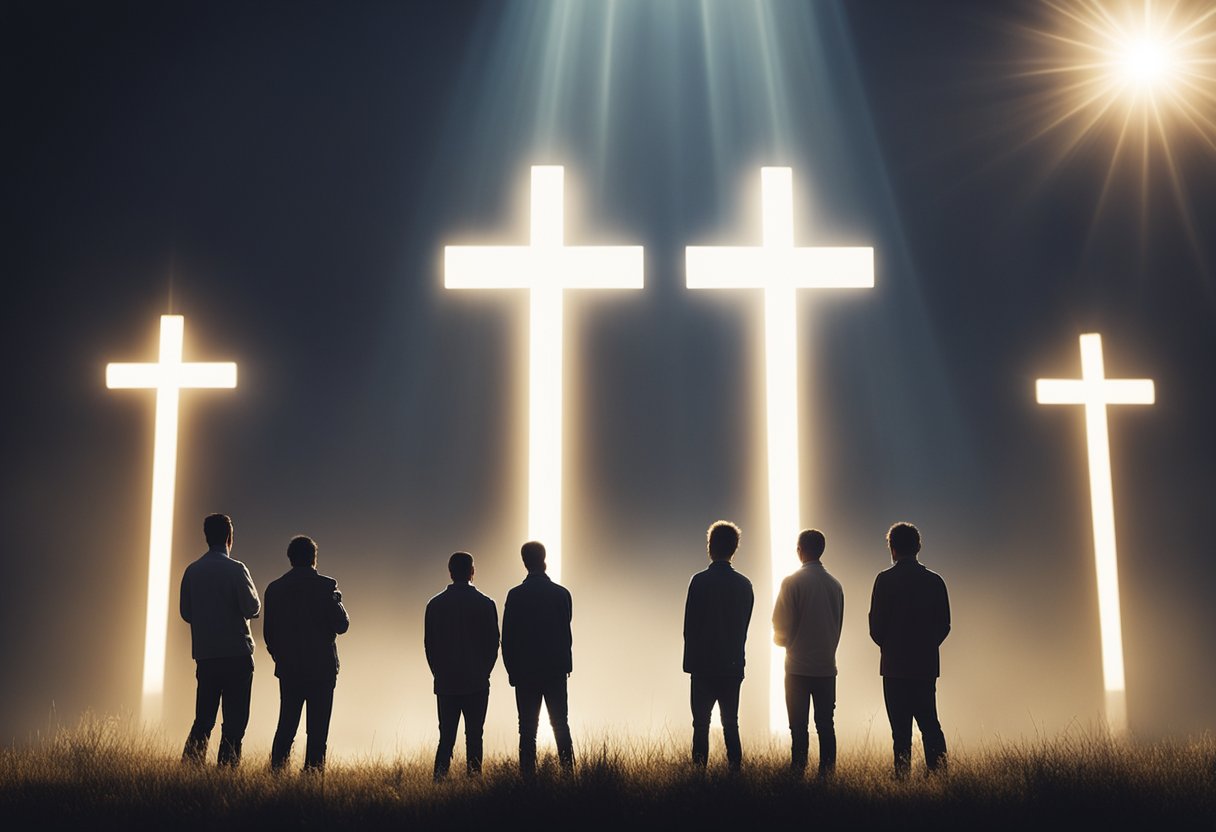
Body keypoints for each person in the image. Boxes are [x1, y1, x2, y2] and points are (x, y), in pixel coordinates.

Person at [868, 522, 951, 777]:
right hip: (925, 666)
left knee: (900, 731)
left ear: (892, 548)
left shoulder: (884, 580)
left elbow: (875, 626)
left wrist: (891, 646)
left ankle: (902, 777)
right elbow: (944, 624)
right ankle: (939, 776)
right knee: (930, 724)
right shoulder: (935, 581)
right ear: (918, 547)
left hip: (894, 667)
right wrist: (926, 646)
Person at [180, 513, 261, 766]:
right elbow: (252, 608)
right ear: (229, 537)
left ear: (206, 537)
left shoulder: (192, 571)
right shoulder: (237, 569)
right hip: (236, 655)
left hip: (207, 655)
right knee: (234, 723)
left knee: (203, 719)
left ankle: (190, 770)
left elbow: (186, 613)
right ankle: (226, 773)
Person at [263, 535, 350, 772]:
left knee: (286, 725)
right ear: (314, 558)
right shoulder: (327, 587)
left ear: (290, 559)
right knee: (318, 730)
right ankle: (312, 779)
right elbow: (341, 626)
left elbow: (269, 634)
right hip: (322, 669)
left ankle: (276, 775)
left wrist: (280, 658)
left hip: (290, 669)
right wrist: (337, 601)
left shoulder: (275, 589)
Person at [772, 528, 844, 777]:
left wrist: (784, 642)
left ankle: (798, 771)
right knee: (826, 725)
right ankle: (827, 774)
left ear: (799, 550)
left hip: (797, 668)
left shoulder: (791, 582)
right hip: (826, 667)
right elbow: (838, 625)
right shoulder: (835, 585)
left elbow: (779, 624)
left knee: (798, 726)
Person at [683, 520, 754, 771]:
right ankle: (735, 772)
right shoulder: (745, 585)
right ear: (734, 548)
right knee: (731, 722)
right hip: (732, 665)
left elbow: (689, 627)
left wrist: (690, 663)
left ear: (710, 546)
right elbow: (744, 626)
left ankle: (697, 773)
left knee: (700, 724)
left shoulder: (699, 582)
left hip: (702, 665)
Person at [424, 551, 500, 780]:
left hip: (446, 681)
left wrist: (438, 672)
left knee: (446, 736)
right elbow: (493, 644)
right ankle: (474, 782)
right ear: (472, 572)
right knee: (475, 735)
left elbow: (430, 645)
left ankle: (439, 781)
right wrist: (484, 671)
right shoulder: (486, 604)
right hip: (476, 681)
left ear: (450, 572)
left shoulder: (435, 605)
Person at [501, 540, 574, 775]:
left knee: (528, 730)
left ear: (524, 562)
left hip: (525, 673)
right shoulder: (562, 594)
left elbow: (508, 639)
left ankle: (527, 779)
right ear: (545, 559)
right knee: (561, 725)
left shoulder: (515, 596)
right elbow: (566, 634)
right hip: (555, 671)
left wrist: (512, 671)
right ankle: (568, 775)